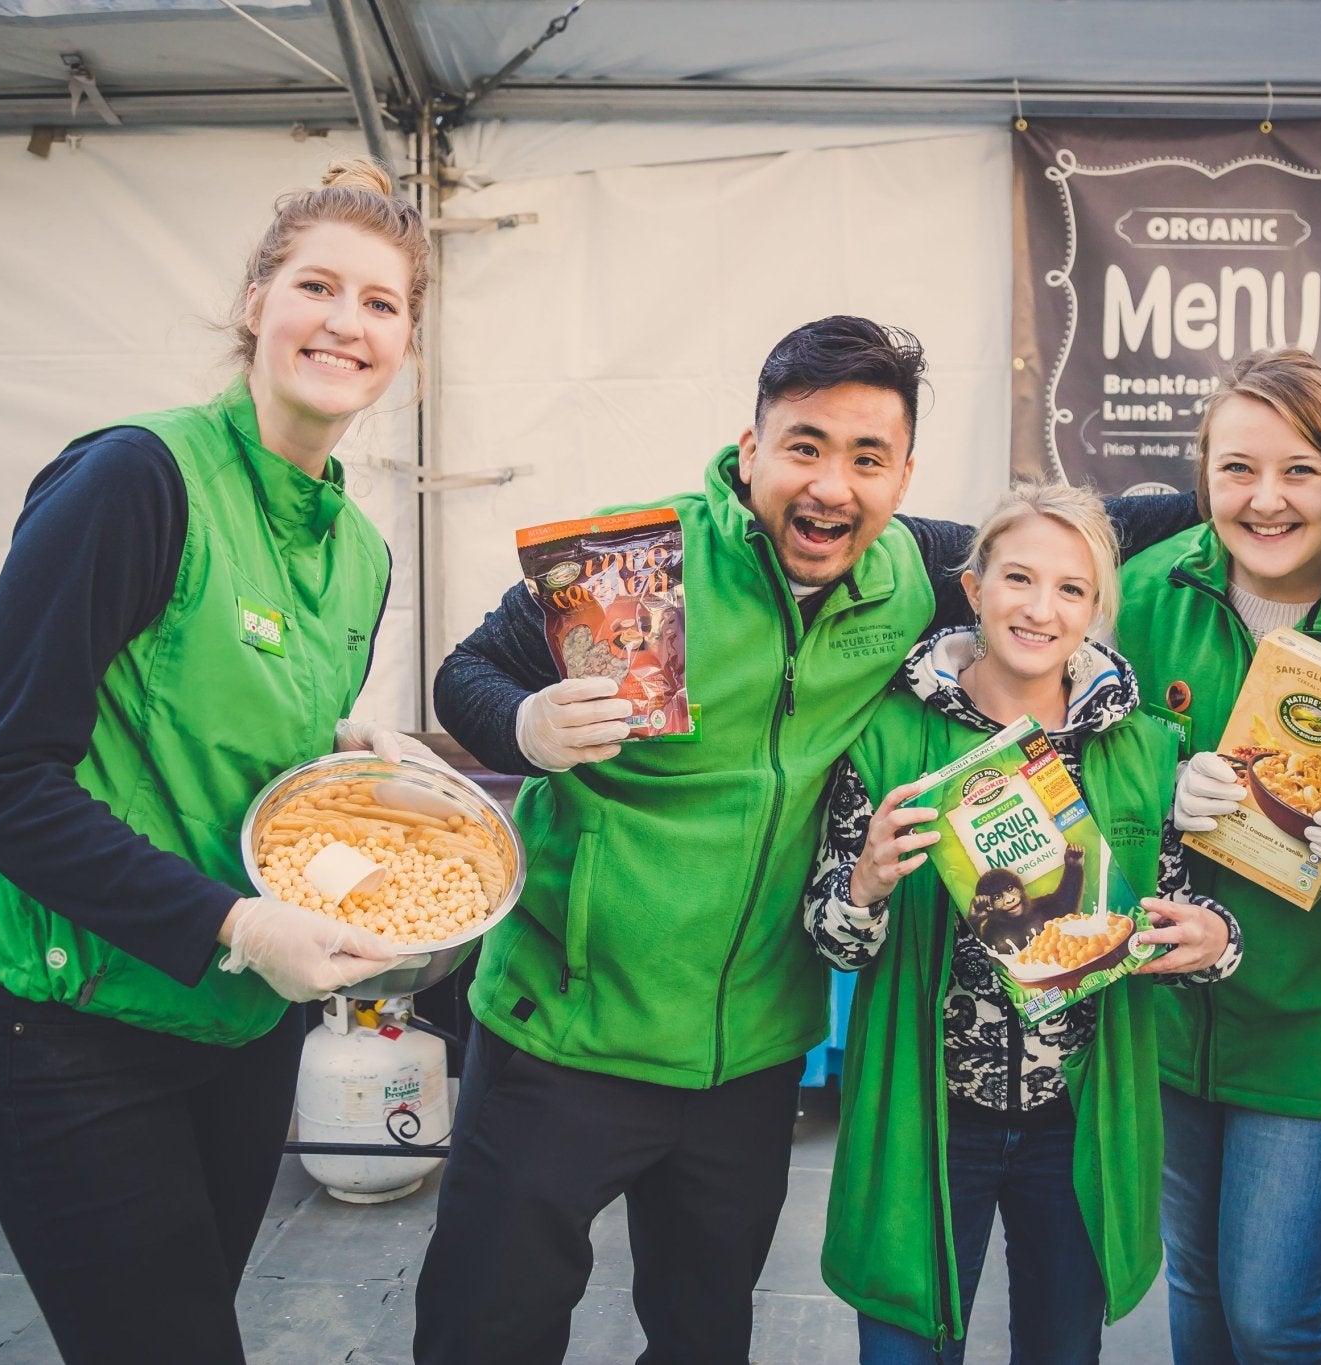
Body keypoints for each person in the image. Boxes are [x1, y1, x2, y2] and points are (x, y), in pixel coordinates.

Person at [417, 316, 1197, 1365]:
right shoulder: (634, 562)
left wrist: (1262, 496)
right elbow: (465, 675)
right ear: (750, 450)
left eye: (866, 459)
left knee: (701, 1339)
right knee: (487, 1331)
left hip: (748, 1054)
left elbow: (1093, 531)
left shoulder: (914, 572)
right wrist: (525, 727)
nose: (831, 486)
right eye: (804, 446)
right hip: (565, 1029)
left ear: (902, 476)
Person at [0, 160, 441, 1365]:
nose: (345, 322)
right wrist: (239, 925)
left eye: (381, 304)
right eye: (316, 285)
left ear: (408, 349)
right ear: (255, 304)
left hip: (238, 1031)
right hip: (74, 1030)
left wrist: (343, 742)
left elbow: (211, 707)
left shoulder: (360, 555)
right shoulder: (133, 479)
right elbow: (0, 778)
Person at [807, 480, 1242, 1364]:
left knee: (1060, 1347)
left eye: (1071, 589)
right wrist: (866, 881)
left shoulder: (1144, 746)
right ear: (974, 587)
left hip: (1075, 1123)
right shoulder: (890, 735)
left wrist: (1214, 941)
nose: (1041, 609)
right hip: (928, 1119)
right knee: (903, 1346)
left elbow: (1180, 914)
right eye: (1018, 578)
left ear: (1096, 610)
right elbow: (829, 937)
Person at [1115, 349, 1321, 1363]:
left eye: (1298, 471)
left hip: (1313, 1025)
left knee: (1274, 1314)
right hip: (1169, 1015)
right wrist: (1152, 791)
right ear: (1201, 472)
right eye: (1235, 470)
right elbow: (1072, 769)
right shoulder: (1144, 596)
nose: (1265, 501)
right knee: (1196, 1290)